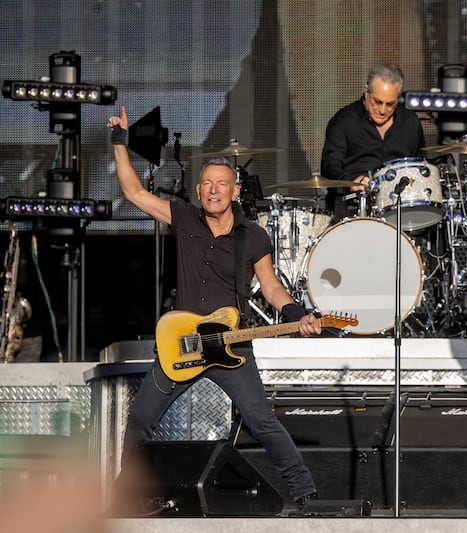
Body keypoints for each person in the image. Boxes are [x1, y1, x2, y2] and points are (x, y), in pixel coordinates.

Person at [107, 106, 321, 509]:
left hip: (231, 346)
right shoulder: (183, 217)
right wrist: (120, 141)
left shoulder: (253, 237)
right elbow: (134, 192)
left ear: (235, 191)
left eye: (221, 184)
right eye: (206, 184)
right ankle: (128, 498)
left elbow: (272, 288)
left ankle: (305, 492)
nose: (213, 190)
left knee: (261, 420)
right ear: (199, 190)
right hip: (183, 343)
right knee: (139, 420)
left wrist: (297, 318)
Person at [320, 61, 425, 220]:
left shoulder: (410, 122)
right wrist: (351, 183)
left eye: (390, 104)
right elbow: (329, 166)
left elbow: (420, 166)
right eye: (378, 102)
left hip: (399, 209)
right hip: (353, 209)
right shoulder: (344, 121)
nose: (383, 110)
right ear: (366, 91)